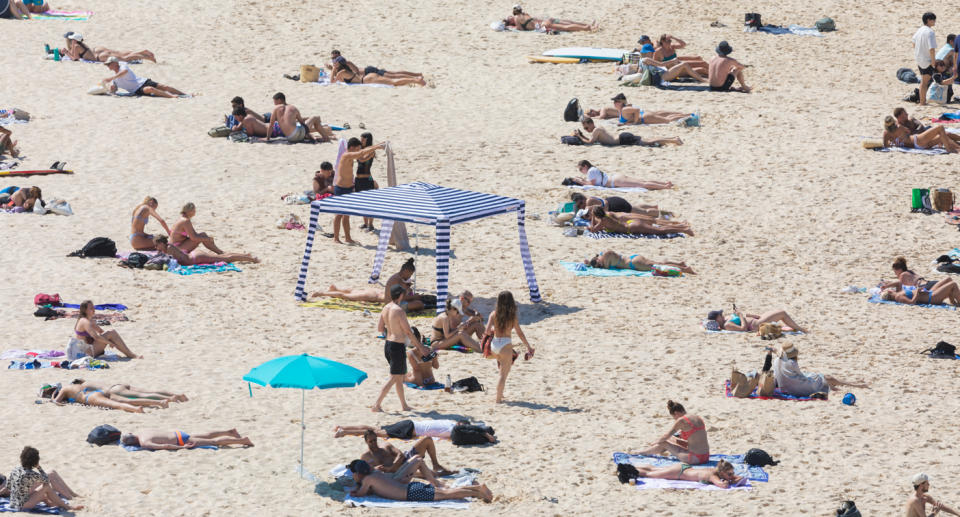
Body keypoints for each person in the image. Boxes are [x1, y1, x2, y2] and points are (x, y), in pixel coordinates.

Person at [372, 284, 431, 412]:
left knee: (399, 377)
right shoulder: (399, 311)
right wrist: (420, 347)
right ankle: (376, 404)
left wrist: (392, 329)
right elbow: (409, 332)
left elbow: (380, 329)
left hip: (388, 345)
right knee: (394, 377)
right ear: (400, 295)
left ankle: (404, 405)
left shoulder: (385, 308)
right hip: (397, 347)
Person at [346, 460, 492, 503]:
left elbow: (359, 494)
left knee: (447, 494)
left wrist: (355, 490)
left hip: (411, 493)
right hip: (411, 486)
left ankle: (478, 489)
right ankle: (477, 490)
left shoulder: (368, 480)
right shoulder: (375, 472)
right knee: (444, 492)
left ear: (358, 473)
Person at [309, 259, 425, 310]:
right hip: (376, 297)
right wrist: (411, 293)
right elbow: (402, 297)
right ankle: (321, 293)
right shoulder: (398, 280)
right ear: (406, 271)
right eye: (410, 274)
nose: (410, 276)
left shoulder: (398, 277)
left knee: (353, 291)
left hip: (377, 293)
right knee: (348, 296)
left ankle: (335, 289)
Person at [333, 137, 386, 243]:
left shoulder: (350, 156)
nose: (358, 150)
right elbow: (361, 154)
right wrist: (378, 146)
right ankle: (336, 238)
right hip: (341, 188)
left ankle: (347, 238)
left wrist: (378, 145)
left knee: (346, 216)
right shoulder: (346, 155)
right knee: (338, 215)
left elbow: (362, 156)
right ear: (352, 147)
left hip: (348, 188)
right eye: (357, 148)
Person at [484, 291, 534, 404]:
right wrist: (528, 346)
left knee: (502, 371)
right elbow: (520, 333)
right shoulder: (512, 317)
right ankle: (498, 400)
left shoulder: (493, 314)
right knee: (503, 374)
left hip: (494, 344)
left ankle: (500, 395)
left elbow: (487, 331)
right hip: (505, 345)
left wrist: (494, 330)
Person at [772, 343, 869, 397]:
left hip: (784, 388)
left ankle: (831, 386)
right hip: (797, 389)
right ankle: (855, 384)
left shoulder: (776, 361)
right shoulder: (792, 363)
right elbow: (801, 377)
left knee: (813, 375)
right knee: (826, 377)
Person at [5, 447, 82, 512]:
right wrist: (39, 467)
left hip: (14, 502)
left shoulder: (15, 470)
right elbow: (47, 480)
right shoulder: (31, 474)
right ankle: (67, 507)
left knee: (42, 493)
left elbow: (8, 486)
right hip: (22, 506)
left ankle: (56, 503)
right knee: (46, 487)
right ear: (35, 462)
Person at [631, 400, 710, 463]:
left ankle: (641, 452)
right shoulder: (697, 417)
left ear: (676, 413)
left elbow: (666, 436)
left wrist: (655, 442)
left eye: (674, 417)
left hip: (694, 458)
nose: (675, 420)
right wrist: (675, 439)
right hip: (705, 456)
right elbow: (694, 439)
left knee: (663, 443)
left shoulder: (681, 420)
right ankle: (644, 451)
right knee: (671, 439)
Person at [358, 429, 454, 477]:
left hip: (405, 460)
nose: (374, 443)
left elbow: (400, 455)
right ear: (366, 442)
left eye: (375, 440)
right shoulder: (365, 456)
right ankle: (440, 472)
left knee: (427, 439)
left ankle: (436, 464)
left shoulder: (385, 446)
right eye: (371, 441)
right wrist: (375, 469)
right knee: (432, 474)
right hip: (399, 472)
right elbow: (363, 471)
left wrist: (392, 467)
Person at [45, 381, 169, 413]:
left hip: (90, 398)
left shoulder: (64, 389)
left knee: (118, 405)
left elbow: (57, 402)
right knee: (126, 399)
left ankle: (136, 409)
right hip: (97, 391)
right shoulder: (73, 385)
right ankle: (159, 402)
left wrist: (52, 398)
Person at [74, 300, 141, 358]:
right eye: (91, 308)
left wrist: (110, 340)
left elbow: (101, 331)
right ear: (85, 310)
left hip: (90, 349)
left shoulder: (90, 320)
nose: (94, 310)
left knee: (111, 333)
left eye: (93, 308)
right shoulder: (84, 321)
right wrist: (110, 342)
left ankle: (129, 353)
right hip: (85, 353)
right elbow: (96, 337)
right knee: (111, 333)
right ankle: (131, 354)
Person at [334, 419, 495, 443]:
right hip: (409, 428)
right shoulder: (453, 427)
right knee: (376, 433)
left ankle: (344, 427)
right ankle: (344, 432)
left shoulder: (449, 426)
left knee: (375, 429)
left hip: (410, 425)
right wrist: (485, 434)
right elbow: (468, 428)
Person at [263, 92, 332, 142]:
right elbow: (302, 123)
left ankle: (323, 137)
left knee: (310, 122)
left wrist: (267, 138)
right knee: (316, 117)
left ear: (280, 100)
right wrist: (308, 133)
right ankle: (326, 138)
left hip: (290, 137)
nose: (274, 104)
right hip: (298, 134)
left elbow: (271, 125)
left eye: (275, 101)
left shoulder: (276, 109)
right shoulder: (293, 108)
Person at [102, 57, 186, 97]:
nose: (108, 66)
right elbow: (114, 89)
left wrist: (111, 78)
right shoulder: (115, 79)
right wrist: (110, 90)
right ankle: (171, 96)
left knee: (164, 86)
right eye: (107, 64)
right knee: (150, 89)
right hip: (136, 89)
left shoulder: (123, 66)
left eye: (109, 64)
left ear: (115, 63)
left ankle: (184, 95)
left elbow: (124, 72)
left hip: (143, 81)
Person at [628, 459, 743, 489]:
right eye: (730, 473)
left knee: (654, 469)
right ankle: (627, 470)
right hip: (679, 472)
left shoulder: (716, 471)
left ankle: (630, 467)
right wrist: (729, 481)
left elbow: (738, 478)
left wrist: (733, 478)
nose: (732, 475)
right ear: (722, 473)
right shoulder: (712, 476)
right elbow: (723, 485)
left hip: (684, 467)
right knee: (649, 474)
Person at [41, 379, 186, 402]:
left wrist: (53, 396)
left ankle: (172, 398)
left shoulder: (69, 389)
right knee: (148, 390)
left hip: (114, 390)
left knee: (143, 395)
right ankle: (176, 394)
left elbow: (57, 401)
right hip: (117, 383)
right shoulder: (82, 382)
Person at [573, 116, 683, 147]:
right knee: (649, 141)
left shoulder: (596, 130)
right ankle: (673, 139)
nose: (586, 130)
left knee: (649, 142)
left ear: (591, 124)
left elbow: (590, 142)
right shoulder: (598, 129)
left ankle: (674, 140)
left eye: (586, 128)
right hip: (623, 137)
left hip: (623, 139)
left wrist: (579, 136)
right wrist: (582, 135)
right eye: (584, 129)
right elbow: (591, 139)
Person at [588, 206, 694, 236]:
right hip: (630, 222)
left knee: (660, 230)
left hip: (631, 227)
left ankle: (684, 229)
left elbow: (593, 230)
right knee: (655, 221)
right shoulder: (607, 215)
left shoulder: (602, 222)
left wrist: (592, 218)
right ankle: (681, 226)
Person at [153, 235, 259, 265]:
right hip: (193, 255)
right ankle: (246, 255)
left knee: (226, 258)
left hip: (195, 258)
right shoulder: (169, 247)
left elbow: (166, 261)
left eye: (157, 245)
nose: (156, 248)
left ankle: (251, 259)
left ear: (162, 243)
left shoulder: (169, 249)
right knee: (223, 256)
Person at [573, 160, 673, 190]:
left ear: (585, 166)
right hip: (616, 178)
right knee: (642, 181)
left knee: (642, 184)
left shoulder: (590, 171)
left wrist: (580, 181)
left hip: (615, 181)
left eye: (581, 169)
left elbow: (591, 184)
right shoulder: (593, 169)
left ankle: (665, 186)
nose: (581, 171)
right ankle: (664, 183)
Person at [61, 32, 156, 63]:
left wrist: (66, 52)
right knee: (120, 53)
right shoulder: (80, 44)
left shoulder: (76, 45)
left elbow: (75, 58)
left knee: (124, 59)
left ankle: (146, 57)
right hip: (97, 50)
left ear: (71, 40)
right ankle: (142, 51)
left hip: (99, 57)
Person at [608, 93, 697, 126]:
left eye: (616, 101)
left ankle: (691, 116)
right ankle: (689, 114)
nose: (614, 103)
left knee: (668, 120)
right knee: (666, 115)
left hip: (645, 117)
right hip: (645, 115)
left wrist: (634, 123)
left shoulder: (624, 109)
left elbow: (636, 110)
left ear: (620, 102)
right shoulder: (623, 109)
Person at [882, 116, 960, 153]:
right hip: (918, 140)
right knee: (940, 128)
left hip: (920, 146)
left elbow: (886, 145)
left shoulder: (886, 134)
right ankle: (948, 149)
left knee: (943, 136)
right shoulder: (899, 127)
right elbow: (909, 132)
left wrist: (895, 143)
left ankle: (958, 148)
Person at [635, 43, 707, 83]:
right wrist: (673, 60)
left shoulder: (641, 61)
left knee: (684, 68)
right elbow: (661, 64)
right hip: (662, 77)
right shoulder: (647, 59)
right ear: (648, 52)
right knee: (684, 65)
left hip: (660, 76)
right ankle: (702, 80)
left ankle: (701, 78)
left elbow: (639, 73)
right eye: (651, 52)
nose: (652, 54)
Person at [120, 429, 253, 450]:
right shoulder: (143, 430)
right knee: (207, 435)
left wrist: (182, 447)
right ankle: (230, 431)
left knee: (213, 442)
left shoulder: (144, 442)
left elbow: (165, 446)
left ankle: (243, 441)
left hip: (179, 441)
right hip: (178, 432)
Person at [587, 250, 696, 274]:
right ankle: (679, 264)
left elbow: (606, 268)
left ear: (597, 260)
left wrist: (598, 266)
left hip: (634, 263)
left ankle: (685, 269)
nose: (600, 265)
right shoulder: (602, 254)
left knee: (658, 266)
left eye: (599, 264)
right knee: (659, 263)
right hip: (633, 258)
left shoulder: (606, 255)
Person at [331, 60, 426, 87]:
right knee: (394, 77)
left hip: (368, 79)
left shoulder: (342, 72)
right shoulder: (346, 71)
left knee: (393, 82)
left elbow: (332, 81)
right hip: (367, 77)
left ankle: (416, 80)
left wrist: (332, 70)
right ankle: (415, 78)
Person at [504, 5, 596, 32]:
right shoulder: (525, 13)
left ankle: (588, 28)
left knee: (566, 27)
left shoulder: (516, 18)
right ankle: (587, 25)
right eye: (510, 18)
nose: (511, 17)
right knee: (568, 22)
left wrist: (512, 27)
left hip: (544, 24)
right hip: (546, 20)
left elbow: (520, 29)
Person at [707, 307, 805, 333]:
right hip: (756, 324)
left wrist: (750, 315)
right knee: (782, 313)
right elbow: (743, 328)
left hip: (756, 319)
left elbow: (743, 317)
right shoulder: (727, 325)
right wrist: (740, 315)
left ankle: (797, 328)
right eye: (720, 314)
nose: (722, 314)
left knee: (779, 313)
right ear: (717, 319)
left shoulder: (726, 319)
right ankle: (801, 329)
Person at [570, 192, 665, 218]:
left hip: (615, 206)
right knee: (633, 207)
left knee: (644, 213)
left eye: (581, 203)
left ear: (583, 198)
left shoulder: (588, 202)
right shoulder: (590, 199)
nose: (581, 206)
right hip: (614, 201)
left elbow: (604, 206)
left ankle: (662, 213)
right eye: (579, 206)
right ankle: (653, 206)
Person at [880, 277, 960, 306]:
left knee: (948, 279)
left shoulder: (898, 293)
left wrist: (886, 286)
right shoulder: (898, 297)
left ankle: (953, 302)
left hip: (929, 293)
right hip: (932, 298)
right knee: (953, 284)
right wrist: (917, 292)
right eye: (888, 290)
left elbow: (899, 283)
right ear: (889, 292)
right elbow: (912, 302)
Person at [355, 132, 378, 231]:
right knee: (361, 203)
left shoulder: (371, 151)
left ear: (367, 140)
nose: (361, 141)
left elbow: (363, 159)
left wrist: (357, 153)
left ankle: (370, 225)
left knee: (369, 203)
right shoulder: (361, 150)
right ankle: (365, 223)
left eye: (363, 140)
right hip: (359, 179)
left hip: (367, 179)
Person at [913, 12, 937, 105]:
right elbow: (932, 49)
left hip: (919, 58)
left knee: (924, 80)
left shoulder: (919, 30)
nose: (935, 21)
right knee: (924, 82)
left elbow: (913, 42)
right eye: (933, 19)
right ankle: (922, 102)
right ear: (928, 20)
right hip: (926, 60)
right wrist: (933, 61)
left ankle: (923, 101)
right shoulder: (930, 32)